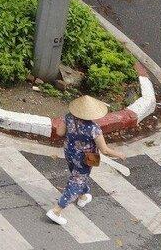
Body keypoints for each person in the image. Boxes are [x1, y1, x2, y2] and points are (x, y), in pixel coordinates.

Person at [48, 95, 118, 225]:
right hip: (85, 159)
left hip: (69, 152)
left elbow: (59, 133)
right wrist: (119, 155)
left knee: (77, 175)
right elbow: (105, 150)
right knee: (76, 182)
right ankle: (56, 211)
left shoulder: (68, 117)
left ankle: (83, 197)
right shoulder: (94, 129)